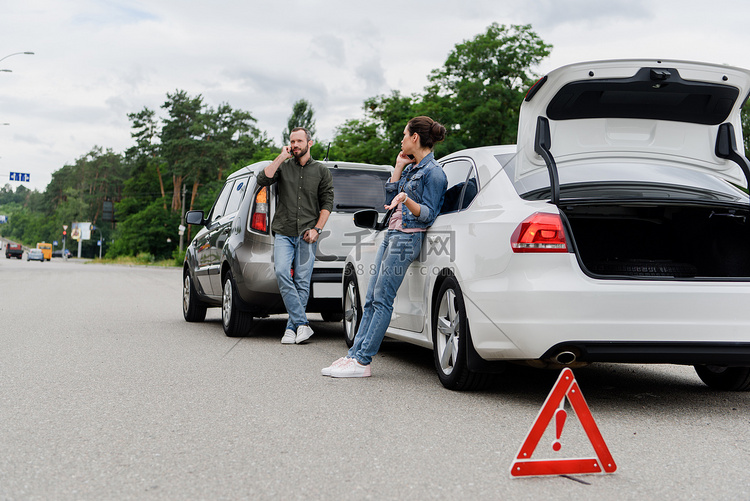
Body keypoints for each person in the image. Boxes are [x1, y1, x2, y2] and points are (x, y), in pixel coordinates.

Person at [322, 116, 448, 378]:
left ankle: (363, 361)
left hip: (407, 238)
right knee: (370, 298)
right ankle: (354, 355)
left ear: (415, 138)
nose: (401, 139)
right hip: (392, 234)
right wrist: (398, 168)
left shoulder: (434, 173)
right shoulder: (413, 169)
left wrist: (408, 200)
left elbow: (429, 214)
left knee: (382, 300)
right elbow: (390, 203)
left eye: (404, 134)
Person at [257, 127, 334, 344]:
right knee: (282, 272)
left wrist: (317, 229)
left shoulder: (321, 171)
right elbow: (263, 179)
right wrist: (281, 156)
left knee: (302, 281)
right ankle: (302, 324)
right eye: (292, 141)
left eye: (299, 141)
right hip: (284, 231)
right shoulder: (283, 166)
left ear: (310, 143)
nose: (295, 145)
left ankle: (291, 328)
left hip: (307, 234)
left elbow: (327, 203)